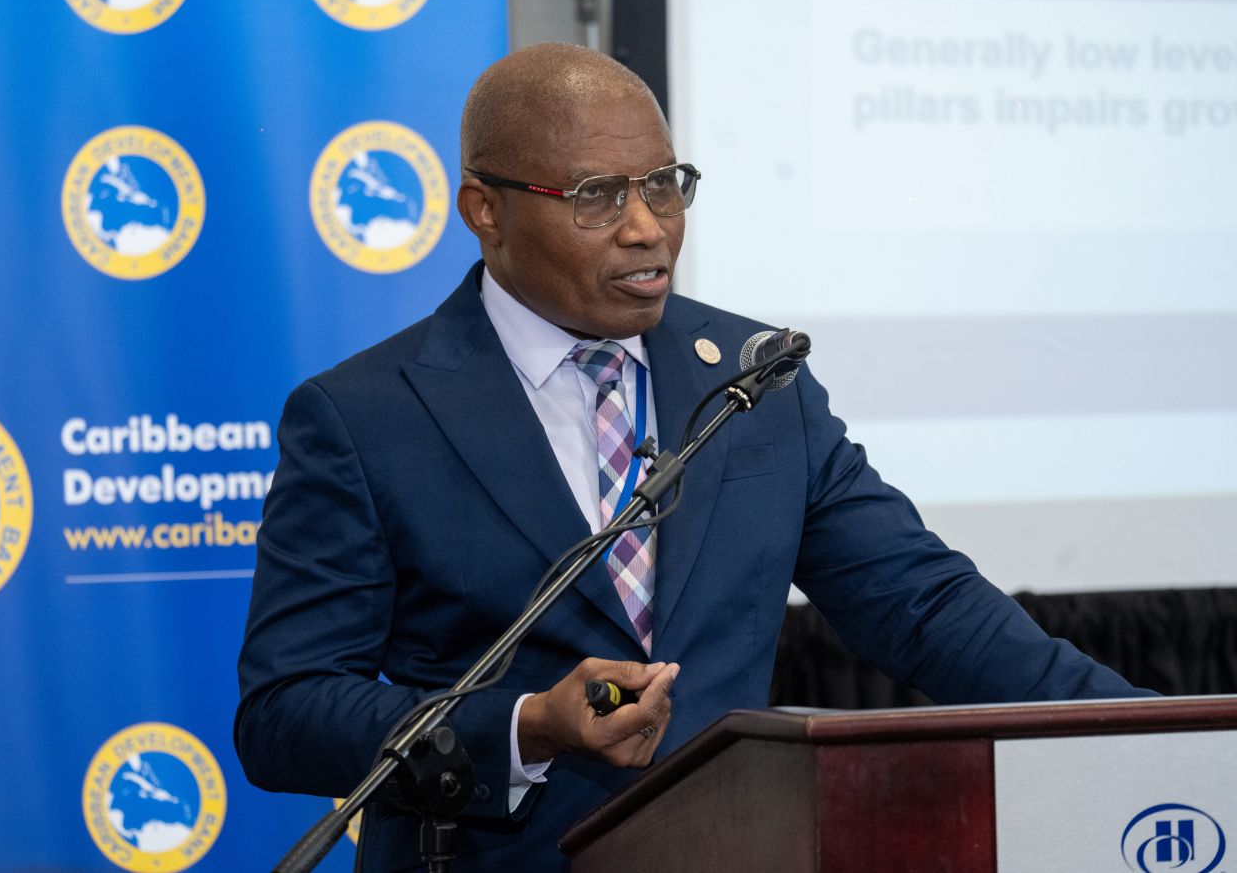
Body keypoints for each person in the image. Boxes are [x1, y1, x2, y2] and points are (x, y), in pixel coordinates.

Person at [235, 43, 1147, 871]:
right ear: (486, 210)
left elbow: (922, 604)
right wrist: (525, 726)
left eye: (665, 185)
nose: (647, 228)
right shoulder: (365, 414)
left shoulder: (759, 382)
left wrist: (1149, 735)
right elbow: (286, 711)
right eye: (597, 196)